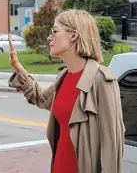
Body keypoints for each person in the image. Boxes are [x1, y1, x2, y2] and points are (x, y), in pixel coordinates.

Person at [8, 10, 125, 173]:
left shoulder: (102, 80)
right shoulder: (64, 76)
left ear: (73, 35)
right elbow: (42, 99)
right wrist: (19, 69)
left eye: (55, 31)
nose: (50, 37)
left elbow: (112, 144)